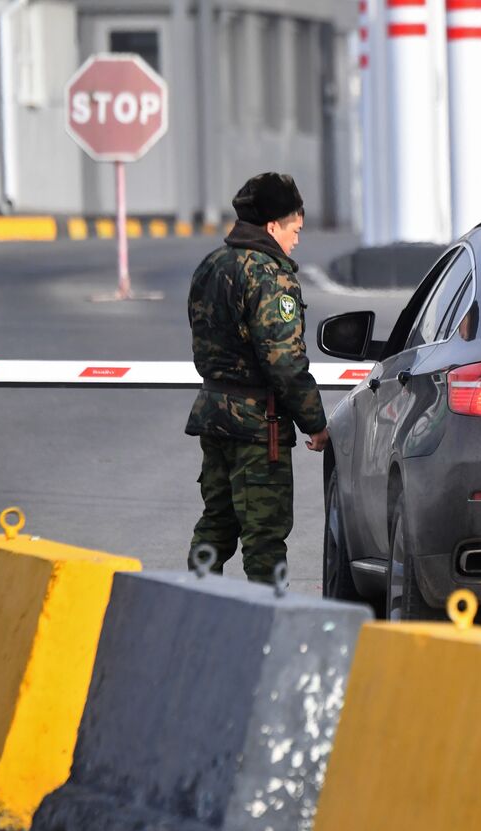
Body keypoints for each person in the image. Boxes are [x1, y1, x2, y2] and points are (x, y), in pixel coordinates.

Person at [185, 172, 329, 583]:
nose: (297, 240)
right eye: (294, 229)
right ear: (272, 226)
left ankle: (193, 606)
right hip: (255, 427)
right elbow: (284, 361)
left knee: (216, 523)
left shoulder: (211, 265)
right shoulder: (269, 274)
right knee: (265, 537)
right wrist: (315, 423)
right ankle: (269, 623)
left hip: (214, 416)